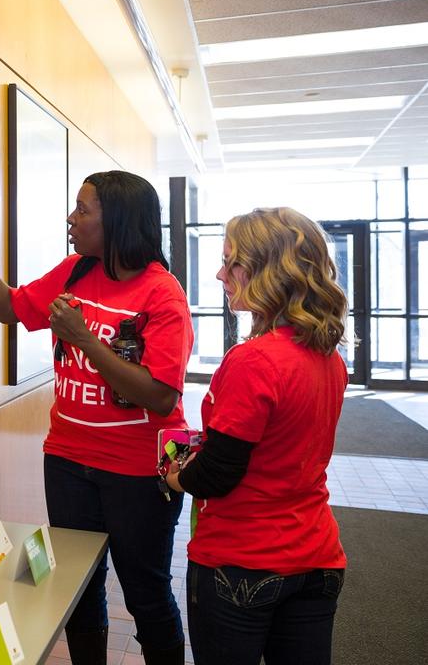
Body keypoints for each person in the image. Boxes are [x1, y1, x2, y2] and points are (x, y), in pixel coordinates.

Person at [0, 171, 193, 665]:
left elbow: (160, 395)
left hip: (138, 474)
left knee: (145, 595)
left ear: (119, 223)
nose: (71, 218)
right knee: (79, 592)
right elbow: (8, 308)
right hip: (67, 462)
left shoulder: (162, 293)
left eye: (83, 210)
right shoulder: (75, 271)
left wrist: (86, 340)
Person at [165, 207, 348, 665]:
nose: (220, 273)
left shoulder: (254, 361)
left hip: (242, 564)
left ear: (269, 271)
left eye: (231, 262)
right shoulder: (329, 358)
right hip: (317, 556)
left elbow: (219, 474)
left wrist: (175, 477)